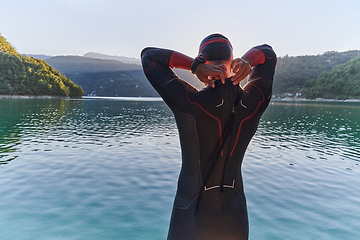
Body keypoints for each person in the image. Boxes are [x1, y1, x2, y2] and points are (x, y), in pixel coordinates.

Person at [141, 33, 276, 240]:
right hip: (235, 214)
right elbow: (268, 54)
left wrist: (193, 66)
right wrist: (249, 60)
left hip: (190, 214)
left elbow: (148, 56)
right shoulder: (254, 104)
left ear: (202, 61)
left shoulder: (190, 102)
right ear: (233, 63)